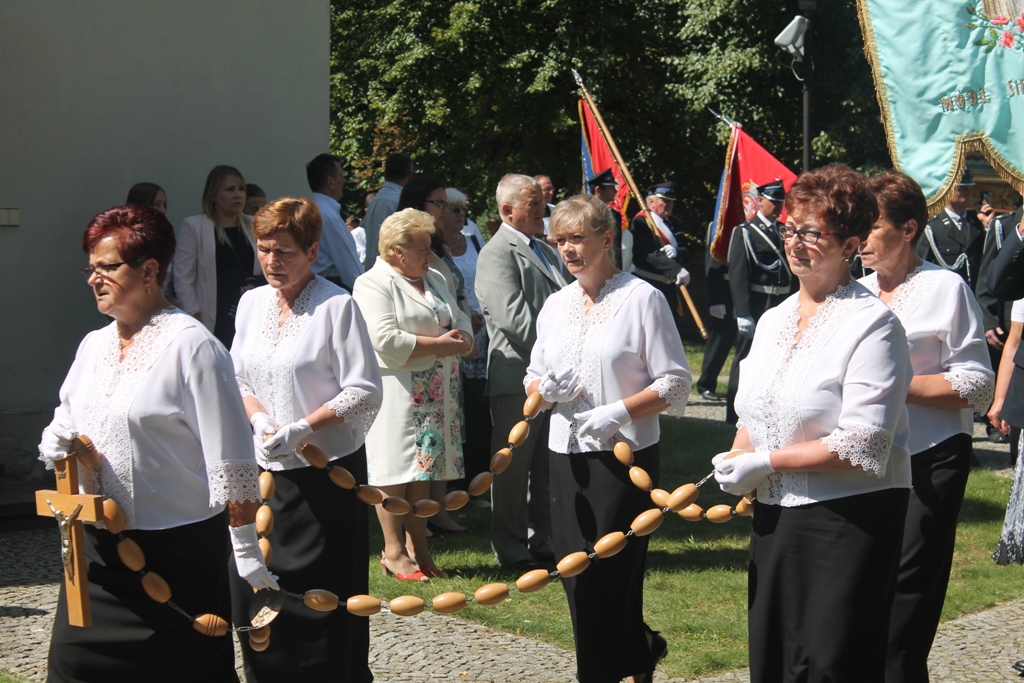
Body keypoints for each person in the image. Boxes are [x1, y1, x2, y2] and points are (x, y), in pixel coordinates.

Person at [39, 204, 275, 683]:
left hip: (177, 557)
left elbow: (233, 467)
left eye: (106, 267)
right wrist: (56, 439)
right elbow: (65, 418)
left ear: (149, 271)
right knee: (72, 666)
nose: (94, 278)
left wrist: (249, 559)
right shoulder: (93, 346)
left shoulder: (193, 347)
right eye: (91, 267)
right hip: (97, 555)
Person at [715, 164, 913, 682]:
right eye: (790, 229)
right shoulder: (773, 319)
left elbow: (863, 443)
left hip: (848, 521)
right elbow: (754, 413)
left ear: (850, 245)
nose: (794, 243)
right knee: (774, 661)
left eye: (811, 232)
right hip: (776, 520)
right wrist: (738, 455)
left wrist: (765, 461)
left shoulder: (874, 325)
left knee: (830, 667)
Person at [527, 194, 691, 683]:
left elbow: (675, 382)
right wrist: (543, 391)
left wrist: (620, 410)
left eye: (577, 238)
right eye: (560, 240)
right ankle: (640, 652)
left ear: (606, 240)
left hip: (625, 458)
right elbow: (533, 375)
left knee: (607, 575)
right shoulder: (556, 304)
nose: (567, 249)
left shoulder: (642, 299)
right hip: (566, 454)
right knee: (575, 574)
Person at [229, 197, 382, 682]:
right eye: (264, 249)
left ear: (313, 251)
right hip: (264, 473)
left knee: (324, 595)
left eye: (285, 252)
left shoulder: (337, 306)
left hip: (325, 474)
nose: (272, 260)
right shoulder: (251, 303)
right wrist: (258, 419)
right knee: (258, 587)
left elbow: (364, 389)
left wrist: (304, 426)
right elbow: (238, 376)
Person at [858, 171, 994, 683]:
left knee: (907, 594)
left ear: (909, 229)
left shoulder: (945, 288)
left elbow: (977, 384)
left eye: (872, 226)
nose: (860, 237)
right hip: (863, 460)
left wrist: (895, 386)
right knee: (864, 589)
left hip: (930, 456)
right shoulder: (853, 293)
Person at [353, 208, 474, 580]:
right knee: (394, 470)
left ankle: (419, 549)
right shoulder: (372, 283)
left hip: (438, 391)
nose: (430, 254)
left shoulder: (434, 276)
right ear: (396, 251)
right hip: (398, 391)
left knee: (426, 468)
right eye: (422, 247)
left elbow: (460, 315)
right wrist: (439, 345)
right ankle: (393, 550)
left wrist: (464, 340)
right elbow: (384, 339)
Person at [476, 174, 569, 568]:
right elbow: (513, 319)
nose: (542, 210)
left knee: (546, 464)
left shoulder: (543, 249)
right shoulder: (497, 252)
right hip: (518, 375)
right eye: (533, 204)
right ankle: (510, 546)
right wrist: (565, 347)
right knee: (512, 468)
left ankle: (541, 538)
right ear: (507, 209)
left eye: (541, 203)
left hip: (551, 375)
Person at [395, 176, 474, 533]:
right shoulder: (402, 245)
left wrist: (464, 330)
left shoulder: (440, 246)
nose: (444, 210)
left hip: (448, 358)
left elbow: (452, 295)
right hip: (422, 360)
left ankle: (438, 511)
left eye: (446, 204)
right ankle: (419, 518)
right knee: (423, 440)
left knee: (445, 435)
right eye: (438, 203)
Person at [725, 180, 793, 424]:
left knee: (780, 356)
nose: (778, 206)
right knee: (745, 357)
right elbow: (738, 274)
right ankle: (733, 414)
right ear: (760, 200)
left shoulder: (785, 231)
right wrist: (743, 312)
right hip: (757, 302)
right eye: (773, 201)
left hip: (782, 300)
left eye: (780, 202)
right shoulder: (745, 231)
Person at [173, 165, 262, 348]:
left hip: (250, 311)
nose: (238, 195)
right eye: (230, 189)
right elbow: (183, 277)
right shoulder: (194, 226)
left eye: (241, 189)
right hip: (213, 315)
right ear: (213, 195)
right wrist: (193, 314)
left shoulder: (254, 224)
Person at [445, 187, 492, 500]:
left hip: (483, 334)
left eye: (463, 209)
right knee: (456, 408)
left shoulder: (474, 240)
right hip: (455, 333)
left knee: (479, 405)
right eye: (454, 209)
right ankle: (456, 481)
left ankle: (480, 476)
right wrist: (463, 318)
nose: (461, 215)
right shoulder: (435, 248)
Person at [629, 182, 693, 337]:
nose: (669, 204)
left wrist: (676, 252)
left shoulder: (674, 223)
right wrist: (676, 269)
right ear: (651, 202)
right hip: (649, 283)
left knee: (669, 330)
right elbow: (648, 254)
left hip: (669, 286)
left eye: (671, 201)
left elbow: (687, 250)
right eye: (664, 200)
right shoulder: (642, 222)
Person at [916, 169, 984, 290]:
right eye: (963, 189)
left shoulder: (976, 224)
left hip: (971, 292)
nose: (969, 193)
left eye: (970, 189)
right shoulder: (933, 227)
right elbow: (922, 266)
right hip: (943, 292)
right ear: (948, 191)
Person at [307, 153, 363, 292]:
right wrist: (365, 293)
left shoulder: (308, 210)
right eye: (341, 176)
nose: (344, 181)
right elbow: (351, 269)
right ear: (331, 182)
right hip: (330, 288)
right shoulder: (328, 216)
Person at [696, 221, 736, 401]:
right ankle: (706, 383)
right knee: (721, 337)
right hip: (725, 289)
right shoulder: (722, 220)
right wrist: (716, 298)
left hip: (749, 288)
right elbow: (713, 260)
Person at [363, 152, 413, 269]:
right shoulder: (401, 201)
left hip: (373, 268)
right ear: (410, 175)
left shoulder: (375, 200)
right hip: (391, 269)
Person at [586, 168, 631, 272]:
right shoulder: (583, 214)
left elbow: (616, 249)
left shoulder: (614, 214)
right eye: (611, 188)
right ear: (598, 190)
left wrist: (617, 273)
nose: (616, 190)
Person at [535, 174, 557, 239]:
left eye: (552, 189)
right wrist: (546, 240)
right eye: (547, 189)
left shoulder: (556, 210)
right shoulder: (529, 213)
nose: (551, 193)